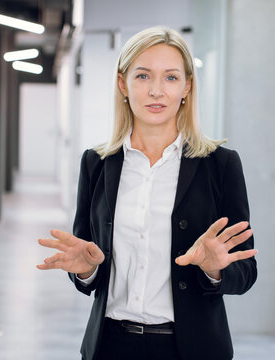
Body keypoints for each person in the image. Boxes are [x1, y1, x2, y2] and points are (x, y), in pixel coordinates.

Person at [36, 26, 257, 360]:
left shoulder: (220, 165)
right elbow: (88, 269)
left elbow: (245, 273)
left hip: (192, 349)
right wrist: (85, 270)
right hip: (110, 345)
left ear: (187, 87)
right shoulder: (96, 163)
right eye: (143, 76)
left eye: (170, 78)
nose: (156, 91)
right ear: (123, 84)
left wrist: (215, 270)